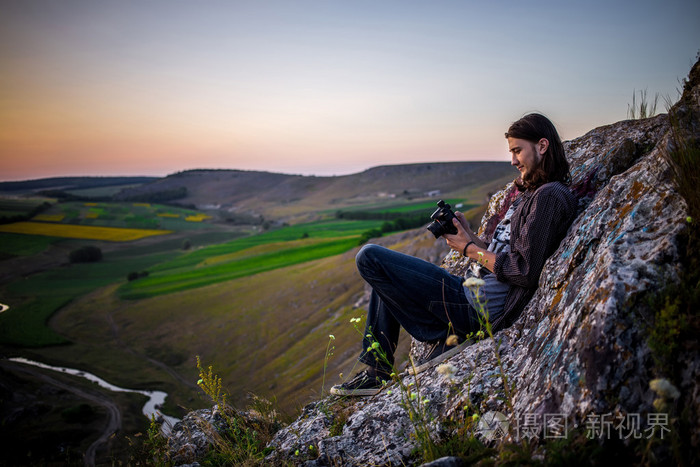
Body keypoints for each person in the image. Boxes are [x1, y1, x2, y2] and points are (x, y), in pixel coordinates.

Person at [330, 113, 578, 396]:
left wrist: (469, 250)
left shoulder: (550, 197)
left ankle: (388, 367)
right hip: (467, 294)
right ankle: (377, 370)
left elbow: (524, 270)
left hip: (475, 309)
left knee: (369, 256)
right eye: (511, 152)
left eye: (517, 150)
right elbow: (504, 252)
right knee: (384, 273)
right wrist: (468, 235)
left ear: (542, 146)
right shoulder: (531, 194)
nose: (512, 161)